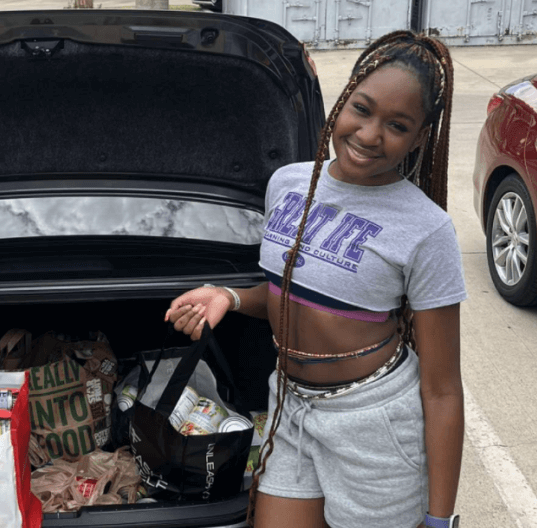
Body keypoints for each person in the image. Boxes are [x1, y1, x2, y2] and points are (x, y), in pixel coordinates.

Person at [165, 31, 465, 528]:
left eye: (397, 125)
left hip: (373, 422)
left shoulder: (427, 229)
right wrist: (229, 297)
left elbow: (442, 390)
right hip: (291, 404)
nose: (370, 134)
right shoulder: (287, 183)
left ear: (418, 138)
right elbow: (294, 294)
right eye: (362, 109)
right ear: (343, 100)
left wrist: (440, 519)